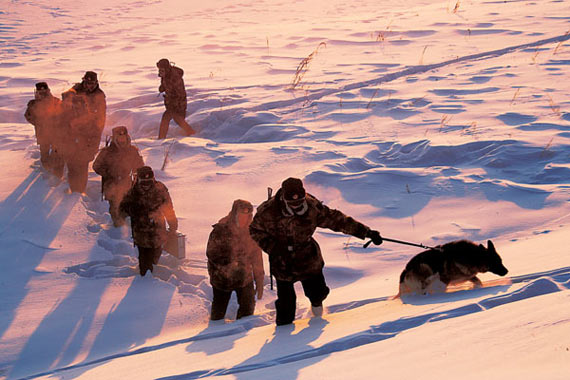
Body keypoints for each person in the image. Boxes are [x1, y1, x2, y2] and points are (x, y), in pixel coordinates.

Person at [249, 177, 383, 326]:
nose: (296, 206)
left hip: (308, 258)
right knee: (286, 307)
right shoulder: (268, 211)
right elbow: (255, 230)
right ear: (284, 199)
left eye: (299, 202)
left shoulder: (312, 207)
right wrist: (272, 247)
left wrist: (366, 233)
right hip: (282, 261)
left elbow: (337, 220)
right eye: (292, 203)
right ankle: (284, 339)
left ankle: (317, 318)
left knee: (318, 294)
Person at [206, 200, 265, 321]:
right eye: (241, 214)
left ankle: (241, 333)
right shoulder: (221, 229)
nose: (245, 218)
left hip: (244, 277)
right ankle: (214, 333)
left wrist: (259, 280)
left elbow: (256, 256)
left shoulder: (251, 231)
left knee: (247, 311)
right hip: (221, 279)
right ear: (234, 214)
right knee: (218, 312)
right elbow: (212, 253)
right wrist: (230, 264)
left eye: (247, 215)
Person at [119, 166, 178, 276]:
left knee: (155, 258)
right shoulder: (132, 191)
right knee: (145, 265)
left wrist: (173, 224)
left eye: (149, 182)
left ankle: (152, 277)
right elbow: (122, 210)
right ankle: (145, 284)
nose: (146, 185)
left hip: (158, 232)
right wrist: (133, 211)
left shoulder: (160, 189)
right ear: (138, 180)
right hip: (141, 234)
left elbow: (168, 208)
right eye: (143, 182)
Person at [61, 71, 106, 193]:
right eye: (87, 83)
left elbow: (101, 120)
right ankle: (72, 188)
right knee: (71, 163)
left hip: (88, 135)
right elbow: (65, 95)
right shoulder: (77, 88)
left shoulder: (99, 96)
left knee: (82, 164)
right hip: (71, 133)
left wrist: (95, 142)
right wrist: (70, 96)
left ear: (96, 83)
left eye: (91, 83)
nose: (89, 86)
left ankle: (79, 191)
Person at [93, 126, 145, 227]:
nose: (122, 139)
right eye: (119, 136)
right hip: (111, 185)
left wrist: (137, 173)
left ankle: (127, 230)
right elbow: (96, 166)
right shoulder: (107, 151)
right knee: (116, 210)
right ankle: (118, 231)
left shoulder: (132, 150)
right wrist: (108, 173)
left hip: (127, 184)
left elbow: (139, 166)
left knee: (127, 208)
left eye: (123, 136)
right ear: (114, 138)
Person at [24, 82, 65, 178]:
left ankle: (56, 174)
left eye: (44, 92)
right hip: (42, 134)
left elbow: (63, 114)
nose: (42, 94)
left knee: (56, 153)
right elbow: (27, 116)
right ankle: (48, 171)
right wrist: (37, 123)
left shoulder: (55, 101)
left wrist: (57, 123)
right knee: (44, 155)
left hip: (56, 133)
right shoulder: (33, 104)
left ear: (47, 91)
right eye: (40, 92)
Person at [156, 58, 195, 139]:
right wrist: (162, 87)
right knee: (178, 120)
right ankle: (191, 133)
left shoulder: (175, 78)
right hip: (171, 103)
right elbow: (166, 85)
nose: (160, 72)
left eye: (162, 70)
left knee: (167, 118)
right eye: (159, 70)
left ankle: (161, 139)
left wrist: (174, 104)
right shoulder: (166, 75)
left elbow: (180, 93)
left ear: (166, 69)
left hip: (178, 103)